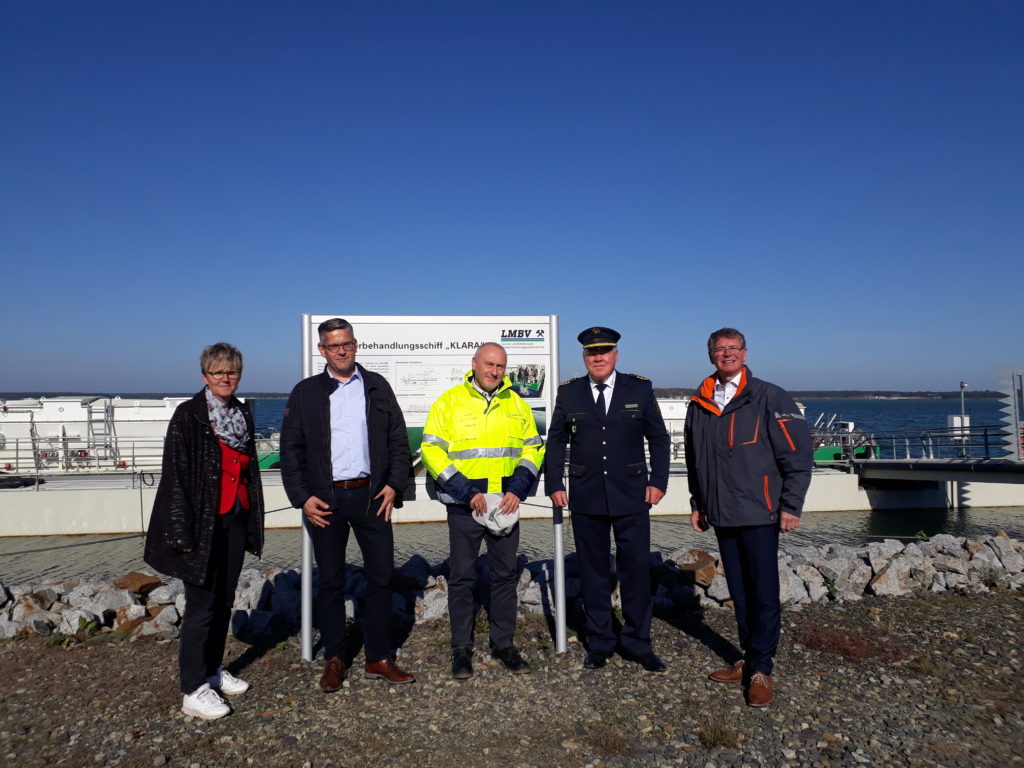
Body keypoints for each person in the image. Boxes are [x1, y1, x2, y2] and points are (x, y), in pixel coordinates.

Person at [280, 318, 414, 691]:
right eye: (334, 345)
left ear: (356, 345)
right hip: (325, 500)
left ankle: (378, 657)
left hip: (372, 497)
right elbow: (290, 450)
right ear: (322, 350)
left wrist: (393, 485)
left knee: (381, 578)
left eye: (347, 344)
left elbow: (398, 440)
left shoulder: (376, 386)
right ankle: (335, 658)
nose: (341, 351)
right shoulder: (306, 392)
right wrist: (302, 498)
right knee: (332, 583)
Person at [685, 328, 813, 707]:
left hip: (761, 511)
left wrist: (791, 505)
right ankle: (748, 658)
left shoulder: (769, 396)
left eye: (733, 348)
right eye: (719, 349)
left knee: (763, 593)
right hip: (722, 513)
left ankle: (762, 670)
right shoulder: (701, 401)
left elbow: (797, 456)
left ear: (745, 352)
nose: (727, 354)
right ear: (711, 356)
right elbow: (696, 461)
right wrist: (698, 502)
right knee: (739, 592)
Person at [144, 342, 265, 721]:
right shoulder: (188, 416)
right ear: (204, 376)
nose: (225, 378)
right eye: (218, 372)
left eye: (231, 372)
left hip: (235, 517)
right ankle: (192, 688)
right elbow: (175, 477)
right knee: (200, 606)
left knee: (224, 600)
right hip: (201, 523)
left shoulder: (242, 414)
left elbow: (248, 472)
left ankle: (212, 671)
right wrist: (180, 533)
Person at [545, 327, 670, 673]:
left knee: (635, 572)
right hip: (585, 496)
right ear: (583, 357)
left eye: (604, 351)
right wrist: (554, 482)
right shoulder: (569, 393)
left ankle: (637, 643)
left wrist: (659, 481)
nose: (597, 357)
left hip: (632, 495)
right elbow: (556, 441)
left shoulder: (639, 388)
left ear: (616, 354)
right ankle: (600, 642)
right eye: (591, 352)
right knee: (594, 573)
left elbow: (659, 439)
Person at [420, 342, 545, 679]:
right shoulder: (450, 402)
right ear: (474, 363)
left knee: (505, 576)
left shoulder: (516, 404)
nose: (494, 371)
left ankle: (503, 644)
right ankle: (461, 649)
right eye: (489, 364)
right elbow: (432, 452)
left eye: (501, 366)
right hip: (465, 507)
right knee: (462, 577)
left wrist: (517, 490)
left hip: (505, 506)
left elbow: (533, 450)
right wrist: (466, 492)